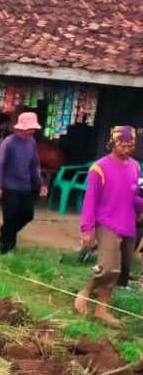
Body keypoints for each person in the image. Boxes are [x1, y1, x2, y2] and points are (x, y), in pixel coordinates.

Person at [76, 126, 143, 327]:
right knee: (107, 268)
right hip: (107, 222)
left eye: (130, 145)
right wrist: (87, 230)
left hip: (128, 223)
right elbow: (90, 201)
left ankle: (101, 309)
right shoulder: (99, 168)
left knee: (120, 270)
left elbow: (134, 196)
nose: (126, 149)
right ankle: (86, 290)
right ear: (112, 144)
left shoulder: (135, 166)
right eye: (122, 145)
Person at [0, 112, 47, 254]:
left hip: (25, 186)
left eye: (33, 129)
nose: (32, 131)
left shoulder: (31, 142)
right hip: (9, 186)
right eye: (30, 129)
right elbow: (0, 164)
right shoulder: (9, 142)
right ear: (21, 128)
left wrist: (40, 184)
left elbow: (35, 164)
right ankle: (6, 249)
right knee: (10, 217)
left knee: (27, 214)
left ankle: (6, 232)